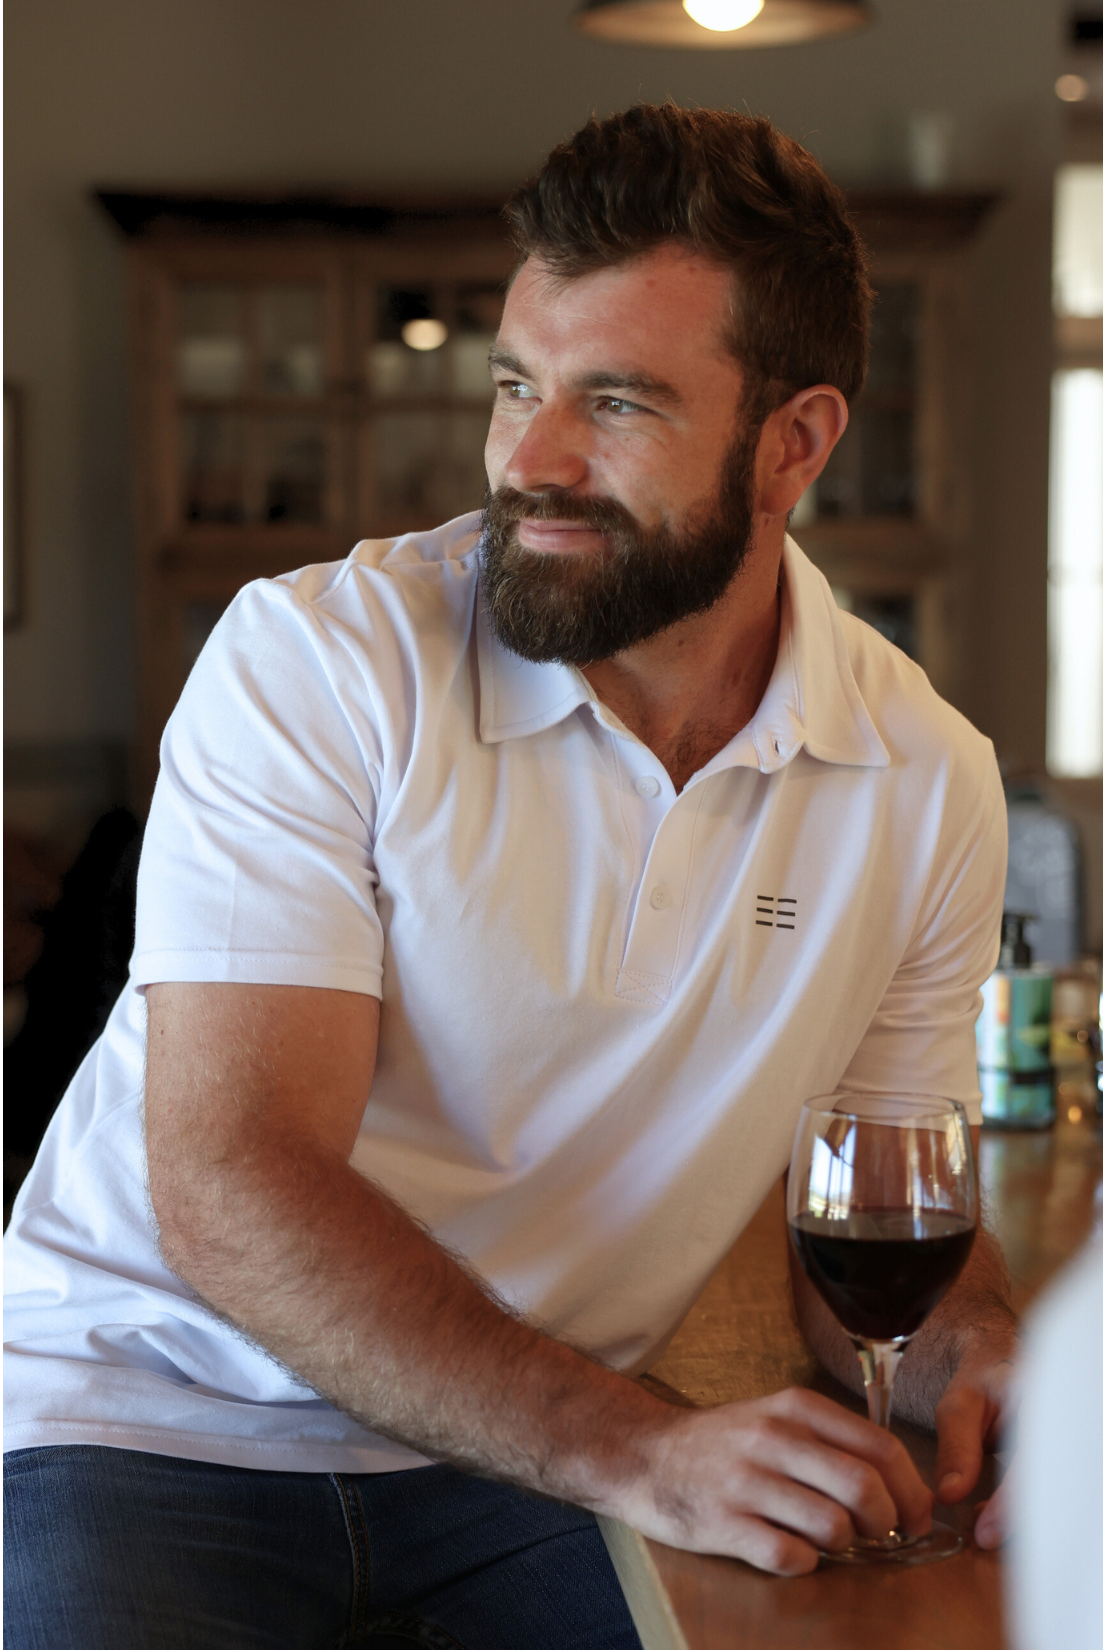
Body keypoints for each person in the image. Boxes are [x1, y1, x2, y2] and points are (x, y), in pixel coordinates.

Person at [4, 105, 1017, 1649]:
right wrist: (639, 1446)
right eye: (512, 386)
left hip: (519, 1465)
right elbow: (230, 1183)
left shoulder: (922, 776)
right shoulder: (319, 661)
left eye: (614, 400)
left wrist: (996, 1363)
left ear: (795, 444)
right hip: (152, 1421)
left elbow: (867, 1233)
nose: (528, 458)